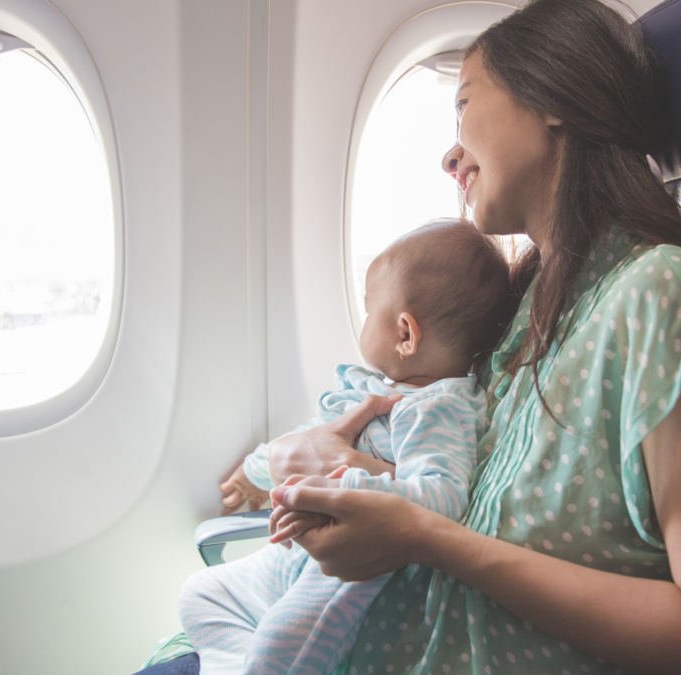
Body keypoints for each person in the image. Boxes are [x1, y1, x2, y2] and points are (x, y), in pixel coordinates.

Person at [223, 1, 681, 674]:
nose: (450, 153)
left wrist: (424, 537)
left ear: (551, 98)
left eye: (465, 102)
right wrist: (354, 472)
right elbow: (475, 500)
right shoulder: (528, 309)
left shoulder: (662, 296)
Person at [177, 220, 518, 674]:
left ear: (404, 334)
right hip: (297, 555)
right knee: (201, 593)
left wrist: (350, 485)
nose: (362, 320)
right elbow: (317, 432)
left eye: (368, 309)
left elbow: (443, 495)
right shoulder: (379, 389)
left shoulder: (440, 408)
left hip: (348, 572)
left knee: (273, 657)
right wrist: (258, 472)